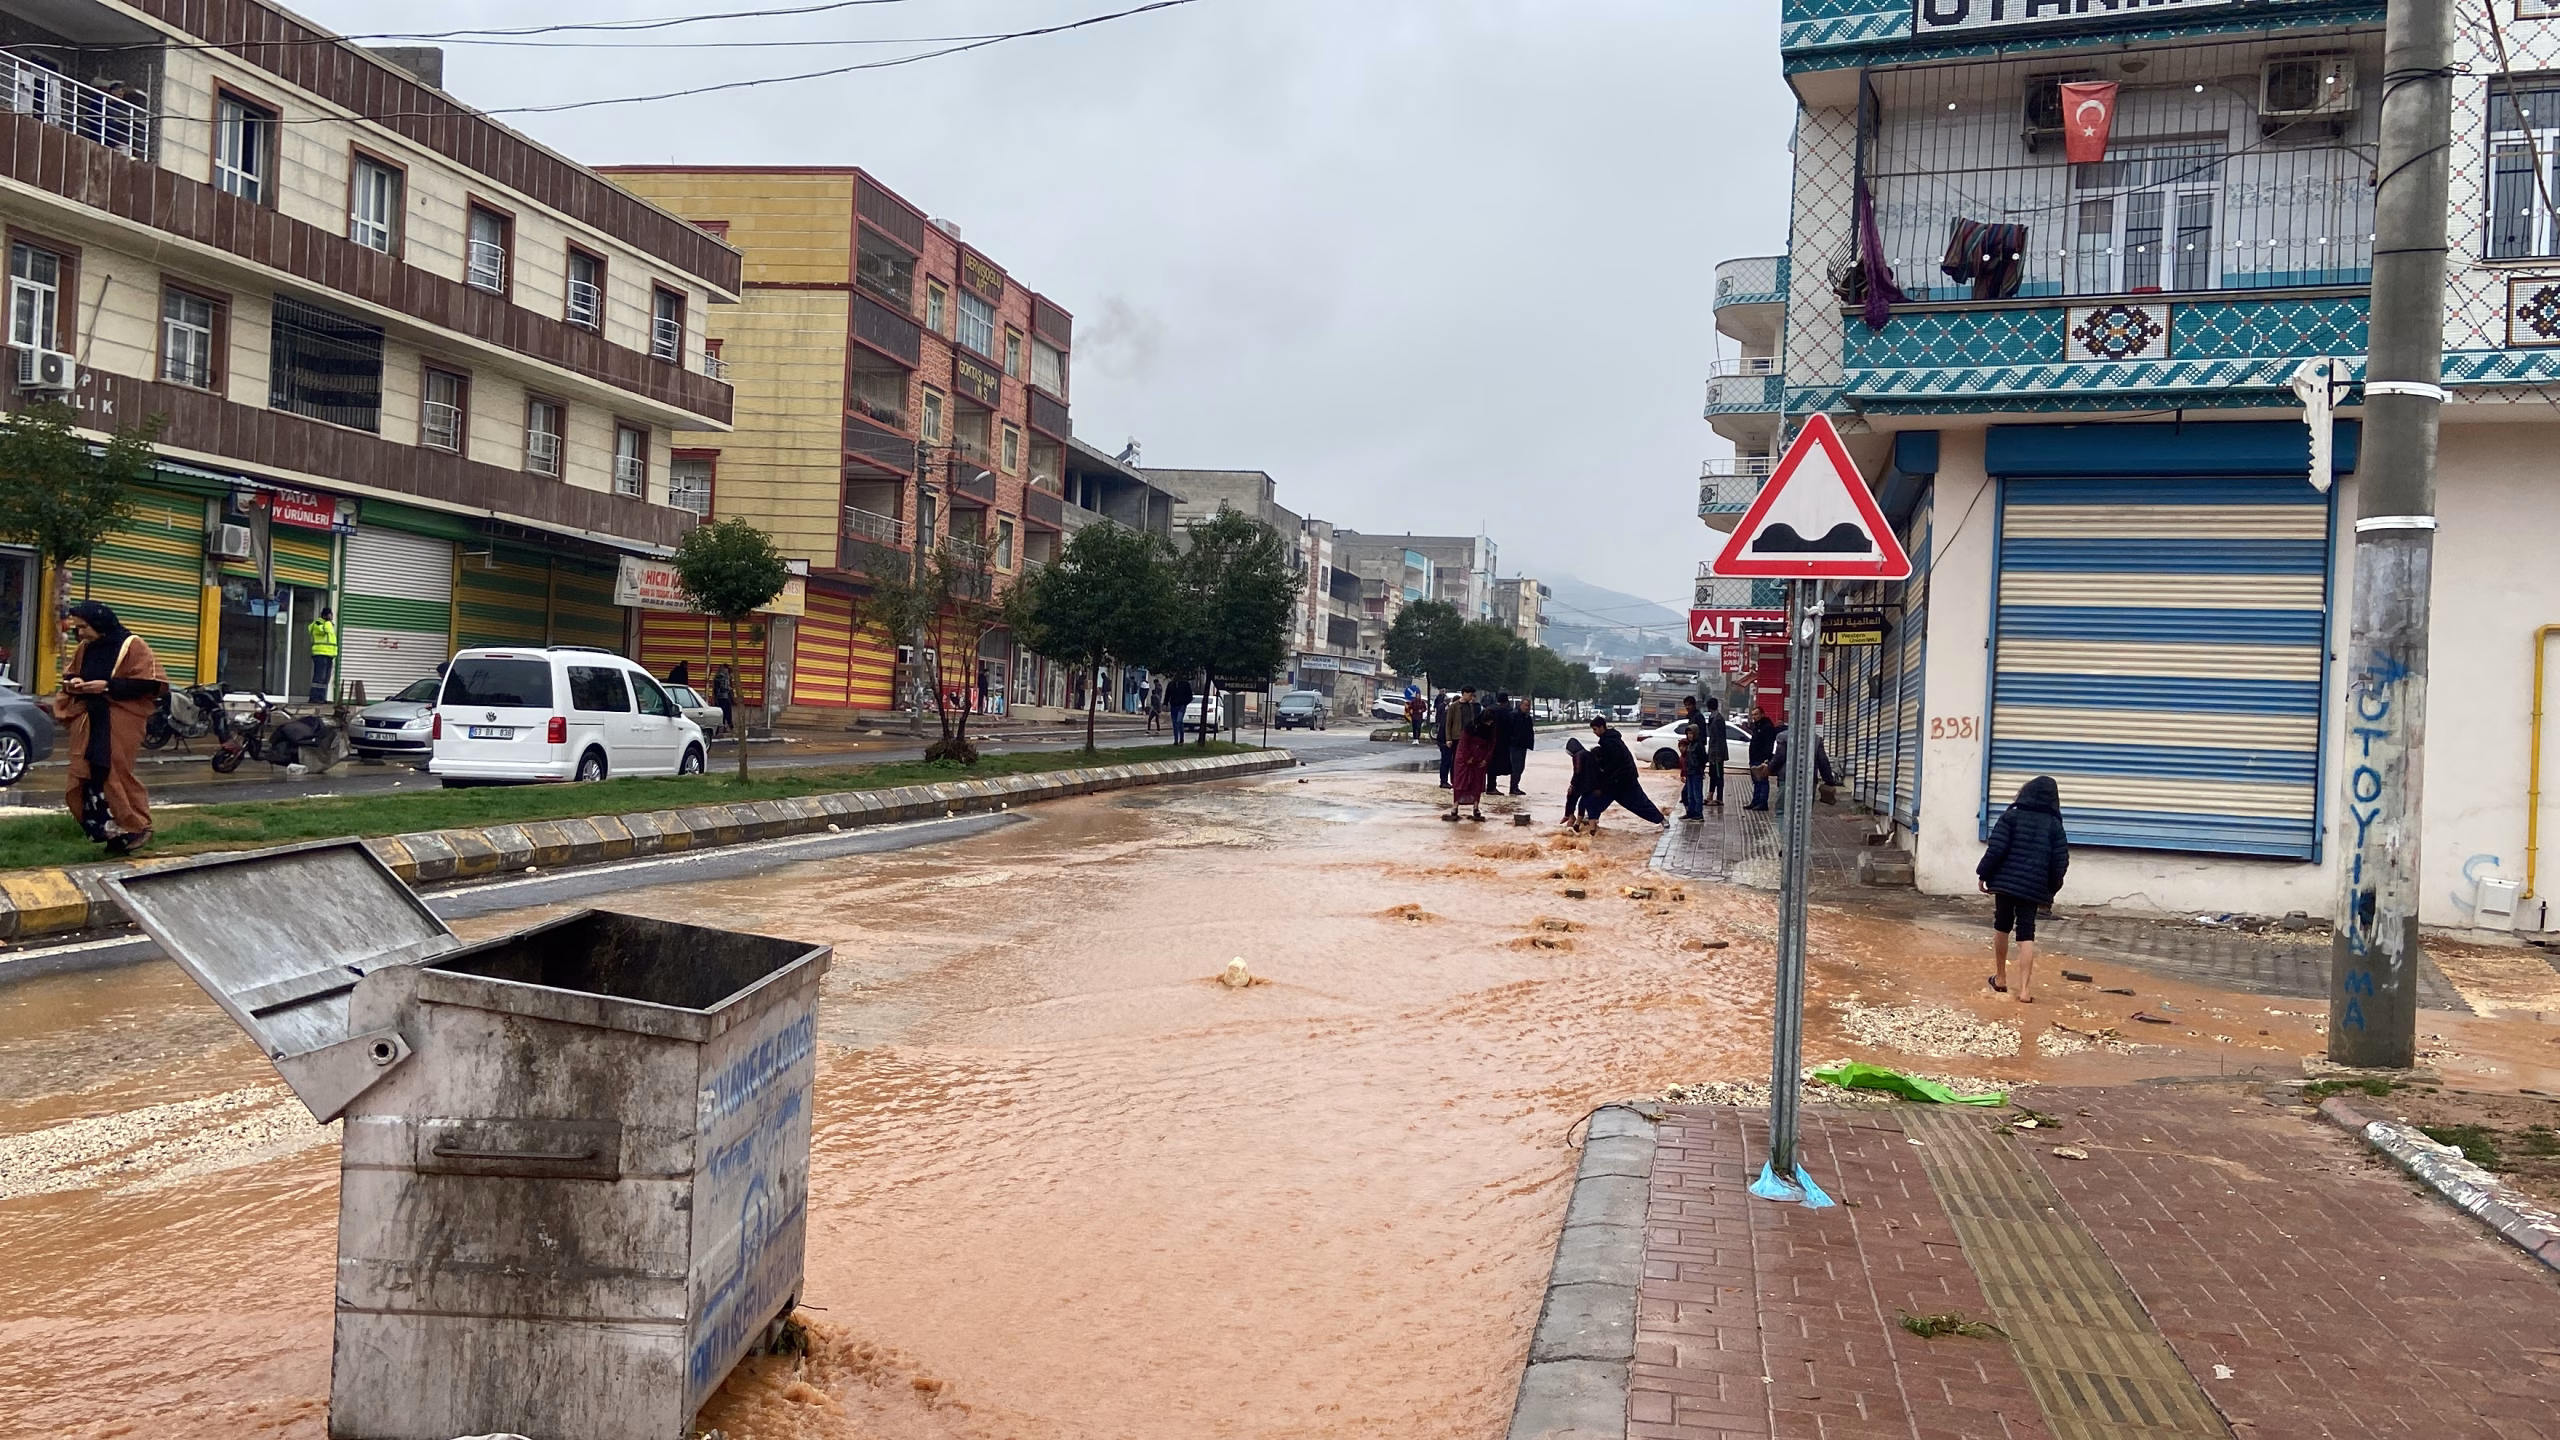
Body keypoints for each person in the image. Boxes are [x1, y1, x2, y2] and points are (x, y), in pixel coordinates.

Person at [56, 601, 167, 857]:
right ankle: (111, 833)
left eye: (84, 627)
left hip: (120, 719)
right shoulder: (85, 648)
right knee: (88, 772)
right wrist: (75, 683)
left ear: (99, 624)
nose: (80, 633)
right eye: (77, 628)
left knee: (114, 770)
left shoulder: (132, 645)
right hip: (90, 719)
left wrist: (106, 686)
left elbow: (150, 685)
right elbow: (69, 675)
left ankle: (136, 826)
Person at [1978, 775, 2071, 1003]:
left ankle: (2000, 978)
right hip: (2033, 888)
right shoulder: (2054, 825)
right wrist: (2051, 890)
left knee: (2002, 926)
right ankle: (2025, 991)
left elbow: (1996, 848)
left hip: (2005, 883)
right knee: (2026, 932)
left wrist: (1984, 874)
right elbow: (2061, 862)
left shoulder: (2011, 816)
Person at [1575, 715, 1666, 831]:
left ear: (1602, 727)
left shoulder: (1609, 742)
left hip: (1624, 780)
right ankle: (1591, 821)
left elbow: (1614, 763)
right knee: (1599, 799)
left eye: (1595, 729)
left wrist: (1603, 773)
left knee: (1639, 802)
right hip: (1619, 779)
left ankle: (1661, 819)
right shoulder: (1611, 740)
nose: (1594, 732)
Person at [1444, 685, 1493, 822]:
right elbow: (1449, 722)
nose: (1471, 697)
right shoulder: (1454, 706)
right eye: (1470, 695)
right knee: (1458, 769)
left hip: (1471, 741)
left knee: (1475, 779)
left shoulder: (1472, 708)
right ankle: (1453, 787)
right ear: (1464, 694)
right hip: (1457, 738)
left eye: (1472, 695)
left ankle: (1474, 806)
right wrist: (1448, 738)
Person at [1676, 695, 1708, 821]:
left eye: (1689, 705)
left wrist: (1700, 768)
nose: (1687, 707)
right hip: (1690, 771)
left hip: (1695, 772)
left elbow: (1703, 758)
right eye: (1686, 705)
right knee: (1688, 794)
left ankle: (1697, 814)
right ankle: (1691, 813)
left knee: (1695, 793)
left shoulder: (1698, 718)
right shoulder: (1690, 746)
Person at [1744, 706, 1779, 811]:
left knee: (1762, 781)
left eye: (1756, 714)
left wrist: (1766, 759)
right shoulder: (1757, 726)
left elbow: (1769, 745)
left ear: (1762, 714)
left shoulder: (1767, 727)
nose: (1754, 717)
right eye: (1753, 714)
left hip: (1761, 759)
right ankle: (1755, 801)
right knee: (1756, 781)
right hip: (1754, 758)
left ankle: (1763, 802)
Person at [1484, 691, 1515, 790]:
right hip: (1500, 743)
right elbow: (1510, 728)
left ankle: (1483, 786)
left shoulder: (1488, 709)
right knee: (1495, 764)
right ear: (1506, 701)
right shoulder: (1504, 712)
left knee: (1486, 763)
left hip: (1486, 741)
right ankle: (1491, 787)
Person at [306, 605, 338, 703]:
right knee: (319, 677)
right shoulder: (318, 623)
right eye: (330, 615)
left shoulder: (327, 624)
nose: (331, 617)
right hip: (320, 653)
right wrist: (328, 622)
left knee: (325, 678)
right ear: (325, 615)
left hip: (328, 654)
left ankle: (321, 697)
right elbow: (325, 630)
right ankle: (314, 697)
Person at [1504, 696, 1535, 795]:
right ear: (1520, 705)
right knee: (1516, 767)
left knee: (1521, 767)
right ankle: (1513, 788)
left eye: (1529, 706)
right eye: (1525, 705)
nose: (1527, 708)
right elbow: (1508, 730)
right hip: (1514, 745)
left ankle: (1515, 786)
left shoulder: (1527, 717)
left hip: (1523, 745)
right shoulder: (1513, 715)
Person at [1705, 698, 1730, 808]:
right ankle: (1710, 795)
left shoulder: (1718, 720)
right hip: (1713, 752)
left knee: (1719, 775)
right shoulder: (1713, 718)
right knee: (1713, 774)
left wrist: (1718, 755)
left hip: (1717, 754)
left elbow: (1720, 739)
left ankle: (1719, 798)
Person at [1433, 691, 1455, 788]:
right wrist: (1446, 740)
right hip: (1444, 740)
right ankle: (1444, 781)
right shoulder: (1449, 712)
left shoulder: (1449, 711)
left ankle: (1446, 780)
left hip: (1444, 739)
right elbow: (1445, 727)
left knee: (1448, 761)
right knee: (1446, 761)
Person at [1167, 673, 1194, 745]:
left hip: (1181, 705)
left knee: (1179, 721)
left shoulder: (1185, 684)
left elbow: (1189, 696)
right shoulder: (1171, 684)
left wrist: (1184, 703)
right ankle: (1176, 740)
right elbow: (1167, 694)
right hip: (1173, 705)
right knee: (1174, 722)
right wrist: (1165, 703)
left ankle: (1181, 739)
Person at [711, 666, 735, 736]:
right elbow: (725, 688)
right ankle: (731, 728)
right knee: (727, 713)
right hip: (724, 698)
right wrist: (730, 689)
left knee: (721, 714)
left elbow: (715, 689)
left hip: (718, 699)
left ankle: (720, 729)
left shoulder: (717, 677)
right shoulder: (724, 677)